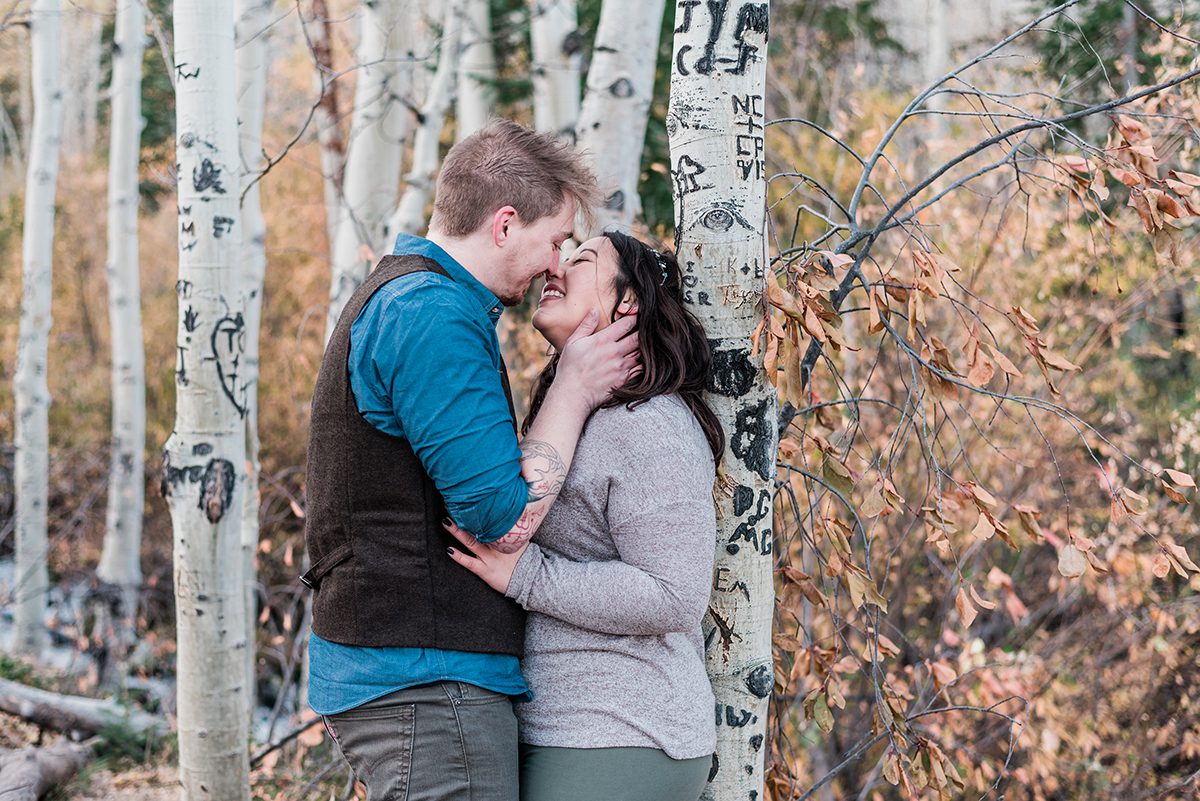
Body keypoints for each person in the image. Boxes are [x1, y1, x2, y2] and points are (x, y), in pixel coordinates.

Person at [302, 120, 641, 801]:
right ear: (505, 224)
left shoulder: (419, 299)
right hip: (424, 682)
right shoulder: (432, 316)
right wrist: (573, 391)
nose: (555, 264)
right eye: (553, 242)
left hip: (416, 675)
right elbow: (497, 518)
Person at [445, 231, 723, 801]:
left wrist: (526, 576)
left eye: (583, 260)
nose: (558, 268)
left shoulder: (648, 425)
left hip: (623, 733)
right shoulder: (586, 416)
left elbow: (675, 593)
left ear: (629, 304)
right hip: (576, 731)